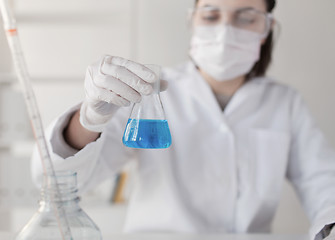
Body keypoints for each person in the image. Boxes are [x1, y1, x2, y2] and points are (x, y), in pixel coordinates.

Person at [31, 0, 335, 239]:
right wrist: (89, 118)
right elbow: (56, 182)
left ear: (267, 27)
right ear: (193, 20)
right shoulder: (148, 90)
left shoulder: (285, 102)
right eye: (211, 15)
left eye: (246, 17)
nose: (226, 30)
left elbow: (323, 182)